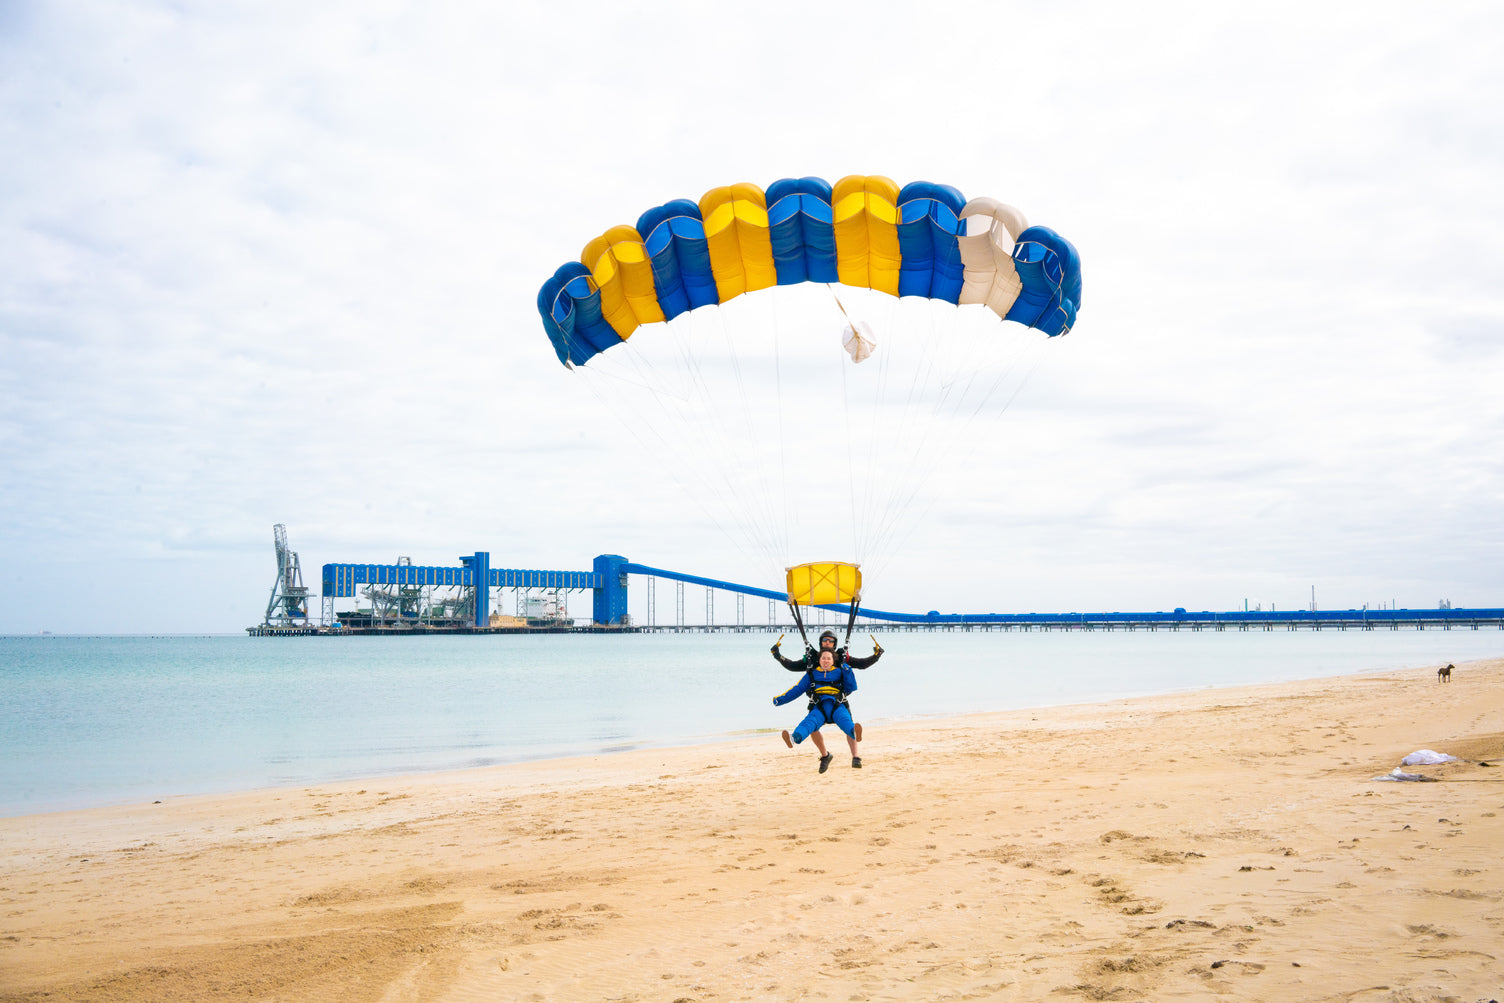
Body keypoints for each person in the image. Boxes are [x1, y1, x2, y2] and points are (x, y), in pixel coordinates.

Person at [774, 648, 863, 771]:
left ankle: (855, 732)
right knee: (809, 723)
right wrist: (780, 700)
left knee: (845, 720)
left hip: (837, 705)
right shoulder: (812, 674)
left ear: (833, 661)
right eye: (823, 658)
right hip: (819, 707)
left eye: (828, 658)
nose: (826, 661)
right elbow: (797, 690)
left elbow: (851, 687)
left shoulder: (840, 672)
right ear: (819, 660)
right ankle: (794, 738)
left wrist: (848, 671)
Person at [771, 628, 883, 672]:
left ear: (835, 644)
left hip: (837, 698)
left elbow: (861, 664)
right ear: (821, 642)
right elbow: (792, 666)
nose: (827, 642)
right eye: (825, 640)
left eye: (831, 640)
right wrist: (778, 655)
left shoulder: (841, 657)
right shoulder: (813, 657)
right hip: (817, 698)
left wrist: (875, 656)